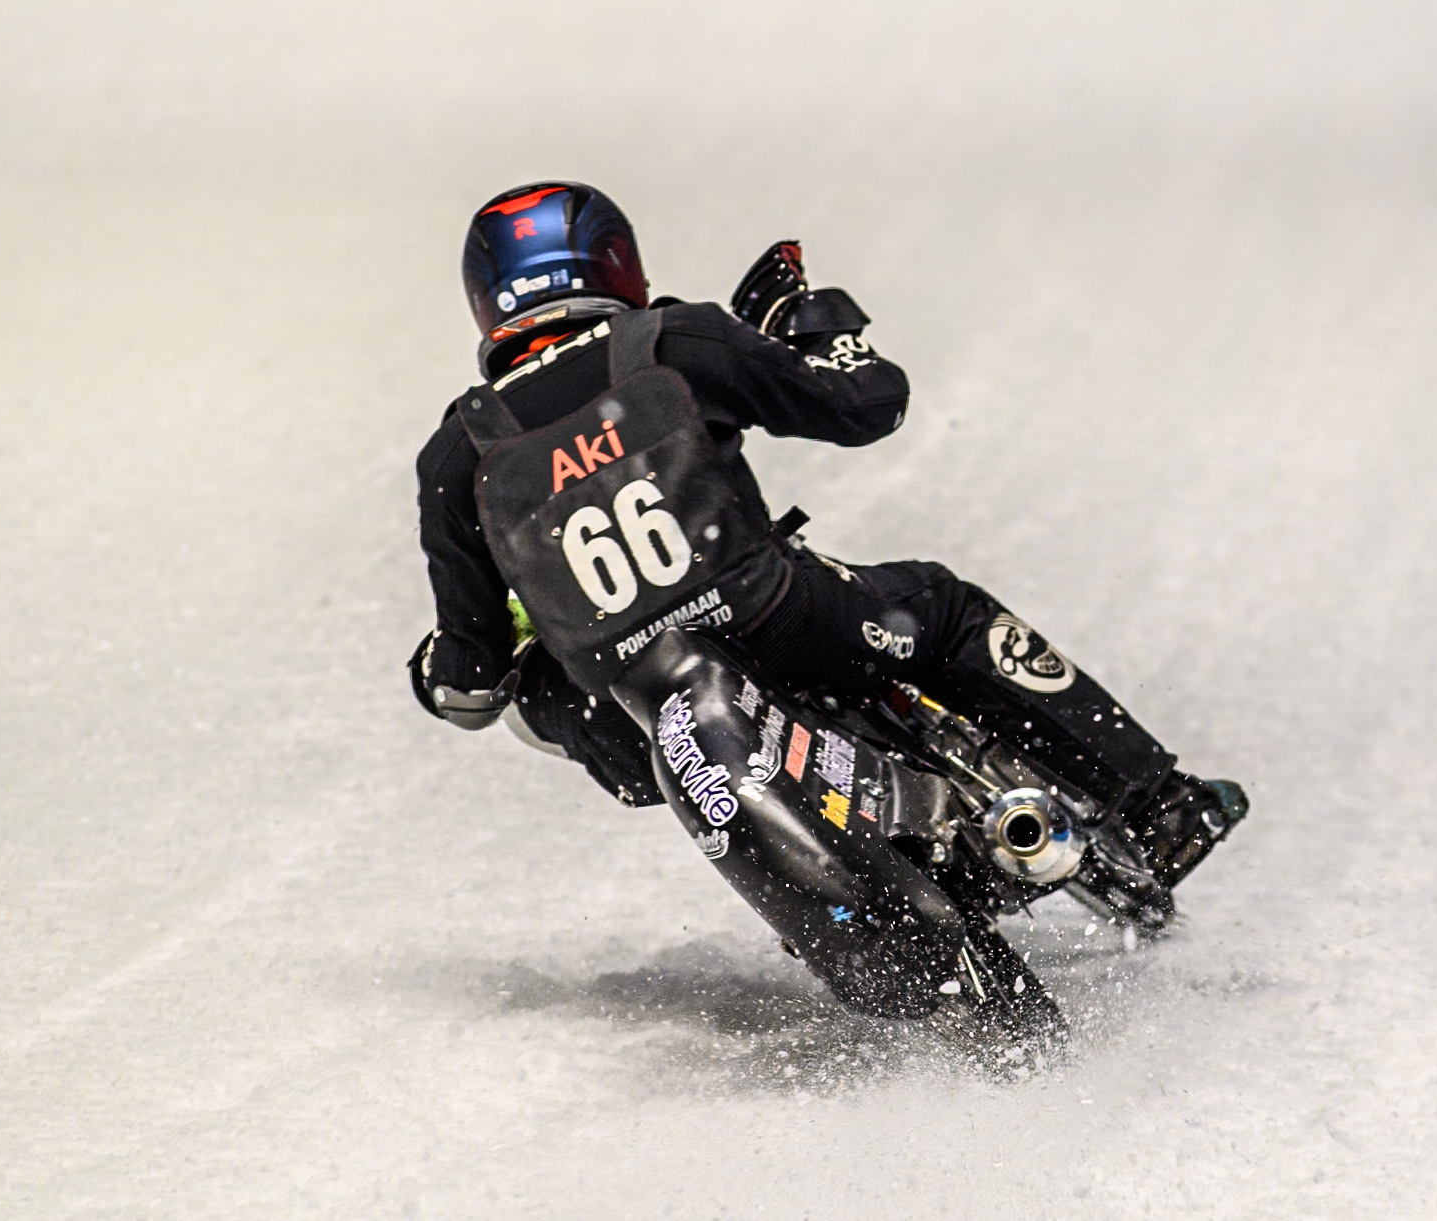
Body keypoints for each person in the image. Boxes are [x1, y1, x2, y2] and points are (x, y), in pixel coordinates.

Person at [410, 181, 1244, 887]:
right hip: (780, 627)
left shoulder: (456, 452)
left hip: (634, 719)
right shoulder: (672, 341)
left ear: (486, 298)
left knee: (547, 698)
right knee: (942, 607)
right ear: (613, 262)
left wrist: (447, 665)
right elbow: (865, 403)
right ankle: (1160, 807)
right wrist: (805, 322)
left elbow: (468, 680)